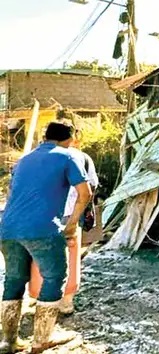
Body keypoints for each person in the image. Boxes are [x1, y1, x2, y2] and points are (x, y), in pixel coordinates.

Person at [0, 121, 92, 353]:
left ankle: (8, 341)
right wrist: (71, 225)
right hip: (43, 228)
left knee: (14, 279)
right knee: (54, 277)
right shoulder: (67, 156)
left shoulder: (25, 160)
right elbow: (85, 193)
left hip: (8, 228)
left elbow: (15, 193)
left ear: (45, 137)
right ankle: (41, 340)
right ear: (69, 139)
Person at [28, 128, 99, 315]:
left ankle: (41, 298)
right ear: (72, 138)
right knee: (71, 258)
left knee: (40, 257)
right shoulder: (82, 157)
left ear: (45, 138)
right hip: (71, 214)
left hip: (42, 215)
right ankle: (66, 301)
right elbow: (92, 186)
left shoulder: (34, 157)